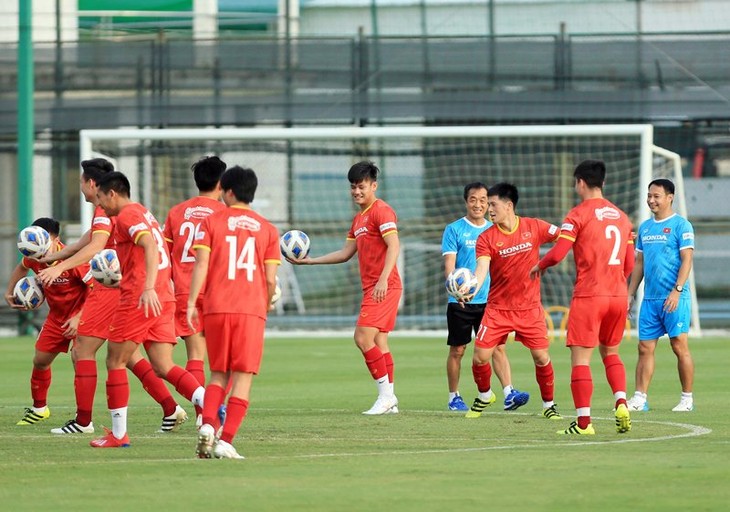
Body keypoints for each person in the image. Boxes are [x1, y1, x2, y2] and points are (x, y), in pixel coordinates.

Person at [38, 158, 187, 435]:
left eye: (81, 181)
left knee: (84, 349)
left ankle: (84, 422)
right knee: (130, 357)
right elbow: (91, 238)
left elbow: (96, 246)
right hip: (128, 286)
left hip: (113, 288)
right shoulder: (108, 210)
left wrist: (59, 267)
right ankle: (171, 407)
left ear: (92, 184)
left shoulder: (109, 210)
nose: (80, 186)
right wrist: (55, 256)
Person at [89, 171, 205, 448]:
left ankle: (118, 435)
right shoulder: (144, 213)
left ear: (112, 193)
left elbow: (150, 246)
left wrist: (147, 286)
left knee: (114, 361)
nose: (100, 205)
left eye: (101, 198)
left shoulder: (128, 215)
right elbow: (148, 251)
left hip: (141, 300)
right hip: (163, 298)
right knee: (164, 366)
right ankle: (209, 404)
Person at [530, 159, 634, 435]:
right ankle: (621, 401)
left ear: (579, 183)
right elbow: (630, 265)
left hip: (590, 294)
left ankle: (584, 423)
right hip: (618, 295)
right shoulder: (622, 217)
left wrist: (538, 266)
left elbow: (558, 253)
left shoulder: (577, 215)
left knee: (581, 360)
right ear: (603, 183)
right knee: (611, 352)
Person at [289, 161, 401, 415]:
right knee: (380, 341)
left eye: (361, 186)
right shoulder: (359, 219)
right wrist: (309, 261)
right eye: (353, 187)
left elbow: (394, 245)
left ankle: (385, 397)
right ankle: (391, 399)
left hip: (384, 286)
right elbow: (345, 253)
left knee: (362, 338)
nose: (356, 192)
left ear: (374, 185)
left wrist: (383, 279)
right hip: (373, 287)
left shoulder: (382, 211)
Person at [188, 165, 280, 459]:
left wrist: (192, 302)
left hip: (216, 307)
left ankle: (207, 424)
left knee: (217, 375)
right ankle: (225, 440)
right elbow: (269, 278)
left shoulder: (212, 222)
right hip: (250, 309)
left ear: (227, 192)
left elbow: (200, 264)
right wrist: (265, 303)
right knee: (242, 377)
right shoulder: (268, 229)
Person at [465, 183, 562, 422]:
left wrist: (547, 262)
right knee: (480, 356)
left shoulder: (534, 226)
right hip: (498, 309)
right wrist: (470, 289)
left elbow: (565, 237)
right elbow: (481, 270)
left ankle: (549, 405)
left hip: (529, 308)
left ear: (509, 206)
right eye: (488, 204)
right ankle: (485, 394)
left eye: (493, 204)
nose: (489, 209)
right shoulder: (486, 238)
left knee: (541, 357)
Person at [441, 182, 529, 412]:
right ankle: (454, 396)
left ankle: (509, 393)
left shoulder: (494, 229)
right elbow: (449, 266)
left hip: (491, 302)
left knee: (498, 348)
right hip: (460, 302)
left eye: (483, 200)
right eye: (473, 199)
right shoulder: (454, 229)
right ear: (466, 201)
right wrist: (455, 290)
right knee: (458, 350)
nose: (478, 204)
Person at [5, 218, 89, 426]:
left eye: (45, 241)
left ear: (56, 240)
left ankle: (83, 419)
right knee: (40, 360)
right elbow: (21, 268)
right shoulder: (34, 254)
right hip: (56, 317)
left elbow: (95, 289)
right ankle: (40, 409)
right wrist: (9, 291)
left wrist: (79, 317)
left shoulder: (74, 258)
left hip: (82, 316)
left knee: (80, 360)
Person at [163, 156, 227, 423]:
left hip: (184, 292)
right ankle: (214, 410)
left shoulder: (176, 212)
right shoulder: (225, 215)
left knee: (195, 355)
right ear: (222, 184)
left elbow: (164, 255)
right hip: (217, 291)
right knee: (222, 359)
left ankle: (203, 414)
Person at [626, 178, 695, 412]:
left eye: (656, 196)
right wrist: (630, 293)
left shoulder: (681, 225)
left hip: (675, 298)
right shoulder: (645, 227)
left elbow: (687, 260)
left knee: (679, 346)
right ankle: (639, 398)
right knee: (644, 348)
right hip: (650, 301)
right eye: (649, 195)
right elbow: (639, 262)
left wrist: (677, 291)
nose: (651, 200)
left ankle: (687, 399)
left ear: (670, 197)